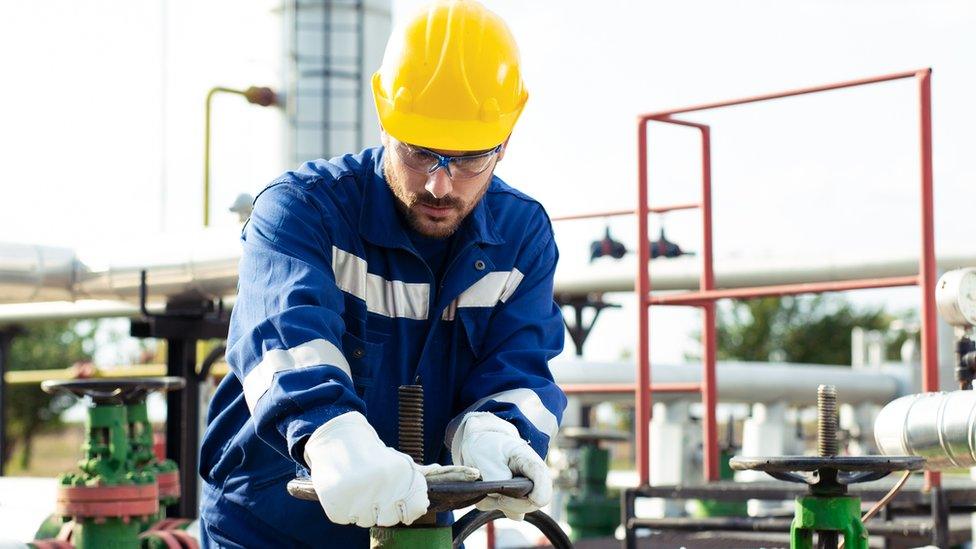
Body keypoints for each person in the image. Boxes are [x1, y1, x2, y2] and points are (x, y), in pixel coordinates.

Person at [198, 0, 566, 546]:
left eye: (470, 159)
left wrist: (499, 428)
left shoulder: (521, 237)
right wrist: (331, 435)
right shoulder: (301, 211)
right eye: (420, 153)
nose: (441, 186)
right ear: (384, 117)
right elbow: (285, 338)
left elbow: (520, 363)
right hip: (269, 526)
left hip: (419, 526)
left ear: (506, 140)